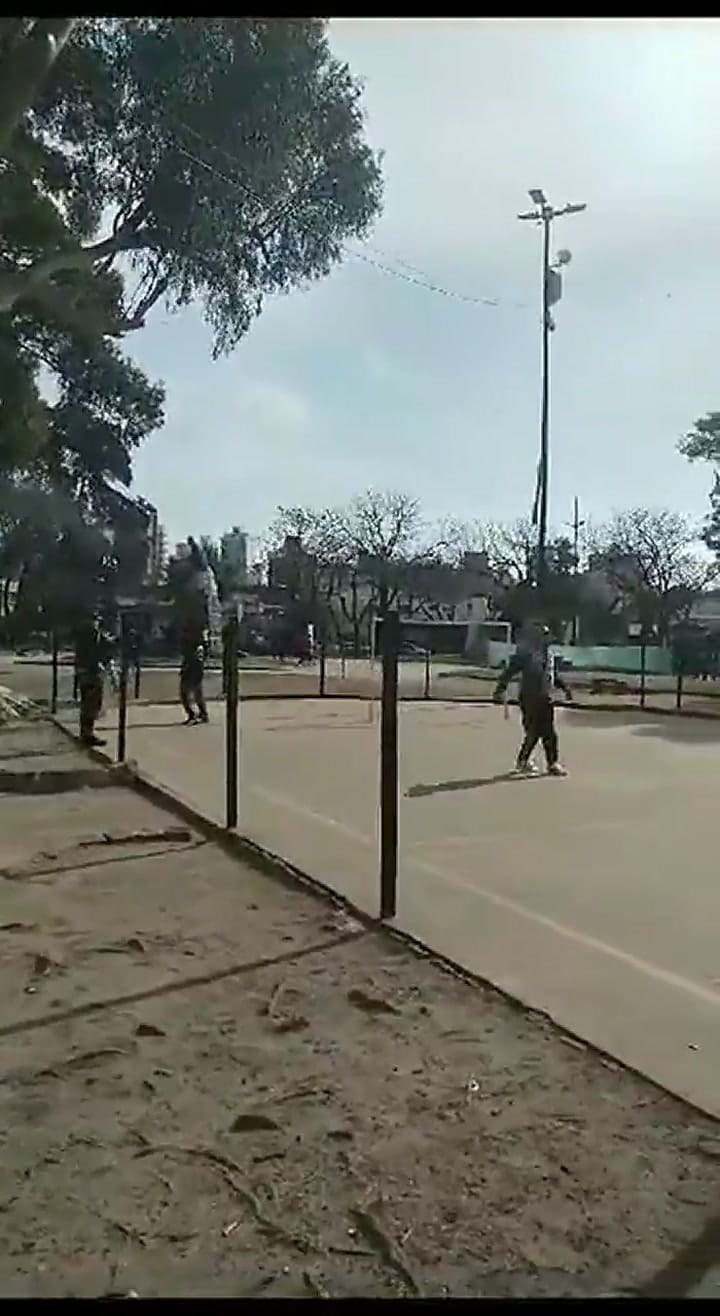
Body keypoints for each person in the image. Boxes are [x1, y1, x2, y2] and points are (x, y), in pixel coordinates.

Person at [493, 625, 572, 777]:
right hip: (529, 697)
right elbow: (510, 671)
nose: (547, 640)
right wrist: (500, 688)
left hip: (545, 697)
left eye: (548, 637)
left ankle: (552, 763)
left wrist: (565, 689)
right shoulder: (526, 654)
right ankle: (523, 762)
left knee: (549, 732)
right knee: (533, 732)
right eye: (544, 637)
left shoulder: (548, 656)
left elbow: (553, 676)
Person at [74, 615, 112, 747]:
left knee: (87, 703)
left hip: (84, 671)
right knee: (92, 703)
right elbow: (100, 650)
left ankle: (85, 732)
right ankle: (88, 734)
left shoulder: (81, 634)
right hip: (91, 671)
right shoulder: (92, 634)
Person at [179, 628, 208, 725]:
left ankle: (194, 714)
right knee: (196, 694)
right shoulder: (194, 645)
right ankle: (201, 714)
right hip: (192, 670)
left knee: (188, 694)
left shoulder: (195, 646)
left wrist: (187, 669)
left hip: (193, 671)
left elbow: (196, 660)